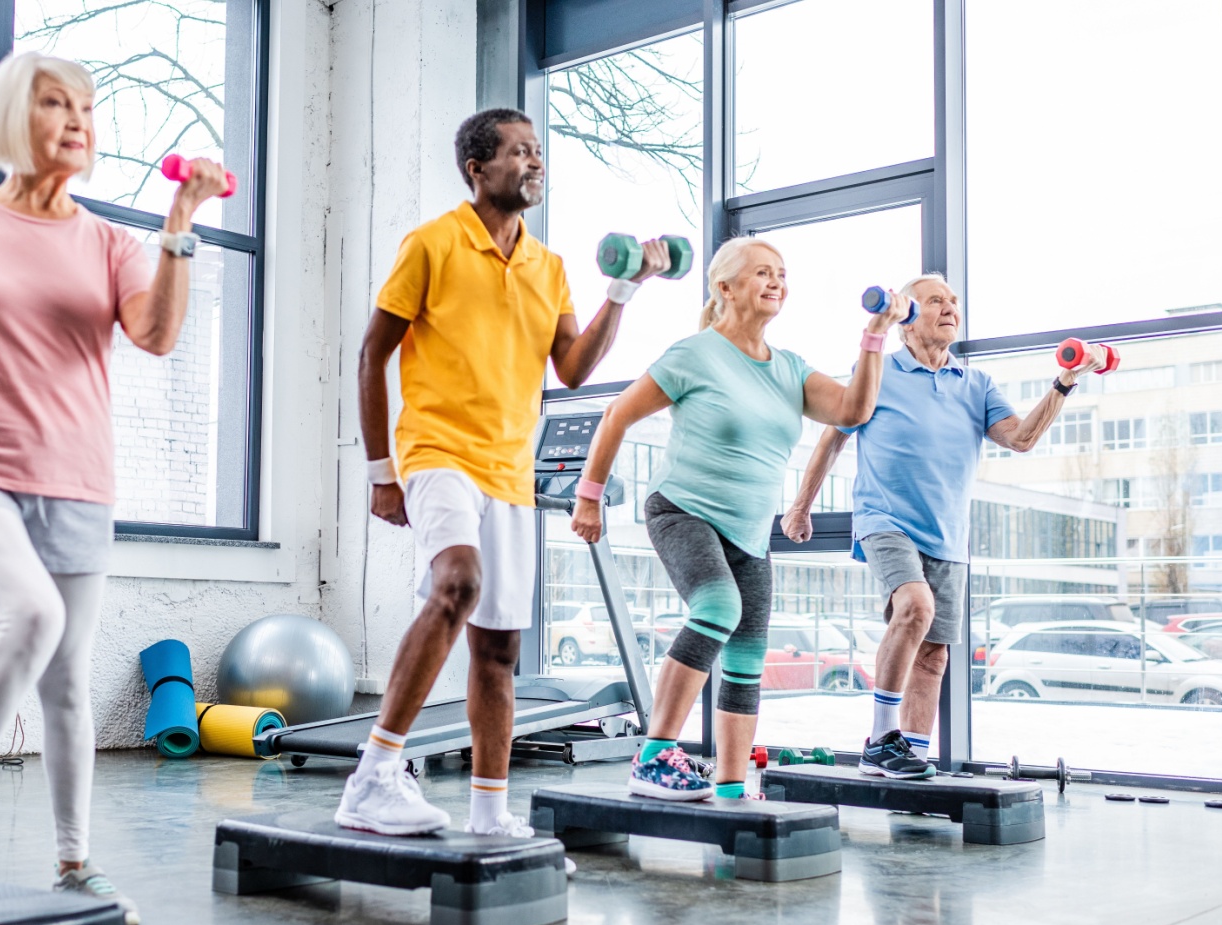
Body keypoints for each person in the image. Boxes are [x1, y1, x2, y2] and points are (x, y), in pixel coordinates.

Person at [0, 51, 229, 923]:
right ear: (11, 117)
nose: (77, 121)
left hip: (77, 480)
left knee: (66, 679)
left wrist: (180, 221)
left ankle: (73, 864)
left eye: (88, 108)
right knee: (32, 616)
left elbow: (156, 334)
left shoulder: (109, 243)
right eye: (56, 103)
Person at [338, 107, 673, 836]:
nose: (535, 163)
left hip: (509, 469)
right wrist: (380, 472)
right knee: (458, 583)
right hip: (438, 450)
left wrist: (623, 291)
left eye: (538, 152)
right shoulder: (432, 244)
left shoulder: (548, 268)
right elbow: (372, 353)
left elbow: (573, 368)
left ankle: (489, 813)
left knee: (498, 648)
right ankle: (373, 777)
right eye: (521, 152)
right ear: (477, 168)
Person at [570, 238, 909, 801]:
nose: (776, 282)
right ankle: (652, 758)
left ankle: (729, 789)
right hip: (683, 509)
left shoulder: (790, 369)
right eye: (762, 273)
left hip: (749, 533)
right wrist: (589, 497)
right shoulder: (695, 354)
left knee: (748, 657)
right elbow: (616, 415)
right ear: (724, 287)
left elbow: (855, 409)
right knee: (718, 608)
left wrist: (875, 335)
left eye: (782, 273)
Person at [781, 274, 1104, 778]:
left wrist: (1064, 382)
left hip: (949, 534)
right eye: (936, 301)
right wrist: (801, 508)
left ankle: (908, 756)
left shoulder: (977, 384)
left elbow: (1020, 438)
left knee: (933, 657)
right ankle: (880, 740)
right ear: (907, 321)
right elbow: (832, 438)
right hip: (885, 519)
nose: (951, 307)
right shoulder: (878, 371)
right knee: (915, 606)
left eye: (954, 301)